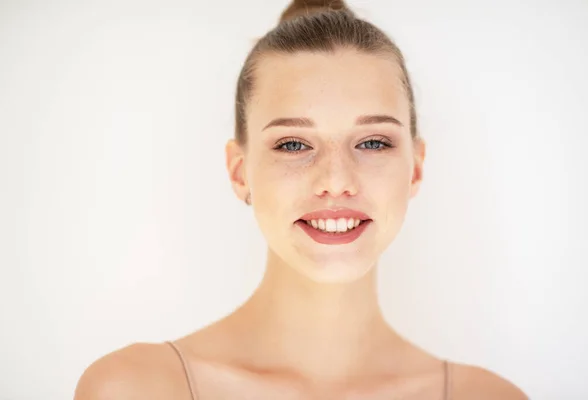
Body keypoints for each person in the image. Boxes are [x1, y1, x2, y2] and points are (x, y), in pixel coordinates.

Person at [74, 0, 528, 398]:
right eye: (293, 144)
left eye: (372, 143)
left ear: (415, 168)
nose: (336, 180)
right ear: (239, 172)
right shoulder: (137, 389)